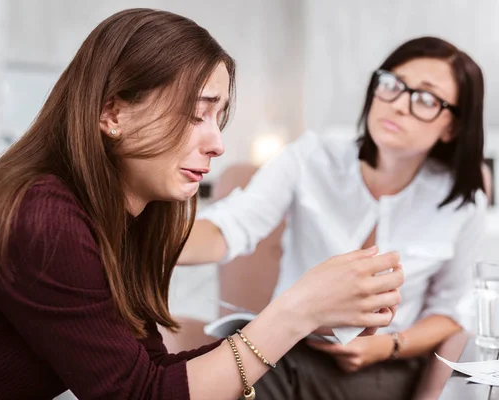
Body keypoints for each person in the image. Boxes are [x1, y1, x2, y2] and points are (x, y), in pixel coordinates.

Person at [0, 8, 403, 400]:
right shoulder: (43, 216)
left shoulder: (123, 217)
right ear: (112, 112)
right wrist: (294, 310)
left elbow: (150, 375)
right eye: (195, 113)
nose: (217, 144)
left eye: (218, 119)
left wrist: (301, 323)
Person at [179, 36, 489, 400]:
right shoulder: (313, 156)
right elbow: (229, 228)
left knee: (244, 377)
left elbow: (451, 312)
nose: (399, 106)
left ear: (452, 125)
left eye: (424, 98)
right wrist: (131, 239)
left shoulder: (461, 203)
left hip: (385, 364)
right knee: (235, 368)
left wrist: (384, 347)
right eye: (392, 84)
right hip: (288, 342)